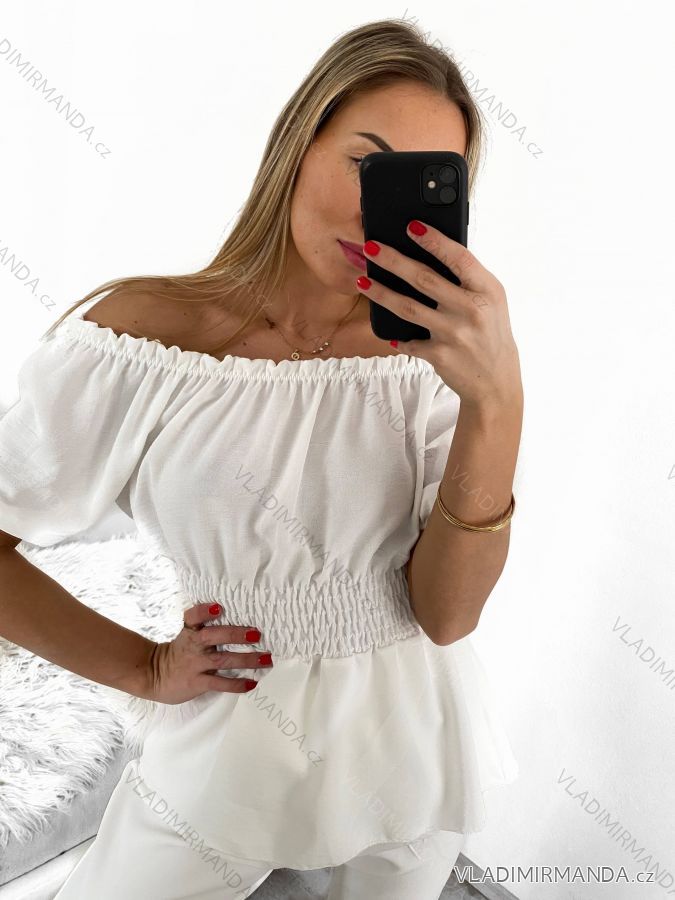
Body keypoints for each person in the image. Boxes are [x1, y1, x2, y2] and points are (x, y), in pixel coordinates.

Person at [0, 17, 523, 900]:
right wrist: (141, 667)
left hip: (414, 735)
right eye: (367, 164)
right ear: (296, 145)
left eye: (422, 183)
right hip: (229, 730)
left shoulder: (438, 356)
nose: (380, 210)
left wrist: (497, 401)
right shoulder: (143, 338)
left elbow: (446, 614)